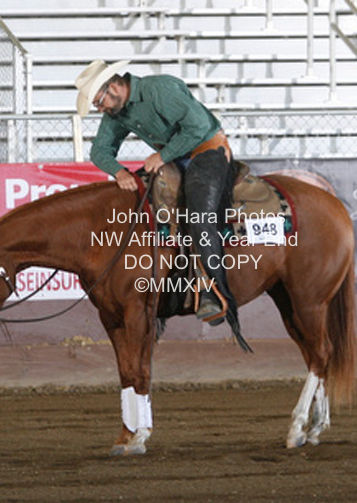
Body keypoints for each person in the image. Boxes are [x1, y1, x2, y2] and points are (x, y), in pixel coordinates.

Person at [75, 59, 241, 337]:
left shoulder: (158, 89)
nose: (100, 109)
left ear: (112, 87)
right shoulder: (118, 112)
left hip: (207, 150)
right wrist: (119, 172)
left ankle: (214, 292)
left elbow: (198, 126)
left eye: (99, 102)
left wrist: (163, 155)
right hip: (174, 157)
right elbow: (99, 151)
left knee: (200, 217)